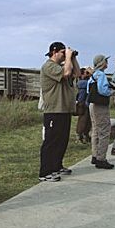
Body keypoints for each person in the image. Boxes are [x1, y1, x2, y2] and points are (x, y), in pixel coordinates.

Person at [39, 41, 81, 182]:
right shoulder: (48, 66)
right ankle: (45, 172)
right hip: (54, 110)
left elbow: (77, 73)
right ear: (54, 51)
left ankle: (56, 166)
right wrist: (68, 57)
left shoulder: (62, 65)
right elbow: (66, 73)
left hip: (64, 110)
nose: (65, 56)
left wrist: (73, 57)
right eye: (63, 53)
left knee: (62, 140)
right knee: (51, 141)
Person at [87, 55, 115, 169]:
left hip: (92, 105)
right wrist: (112, 91)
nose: (107, 62)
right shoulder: (102, 75)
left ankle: (95, 155)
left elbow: (90, 90)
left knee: (95, 130)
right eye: (106, 60)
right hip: (100, 106)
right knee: (104, 131)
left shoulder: (93, 75)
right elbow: (103, 90)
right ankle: (101, 158)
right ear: (101, 63)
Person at [75, 67, 92, 144]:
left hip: (86, 102)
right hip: (82, 103)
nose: (88, 74)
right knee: (83, 120)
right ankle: (80, 135)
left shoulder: (86, 82)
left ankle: (86, 135)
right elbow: (90, 84)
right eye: (86, 73)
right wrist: (92, 73)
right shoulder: (81, 82)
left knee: (88, 120)